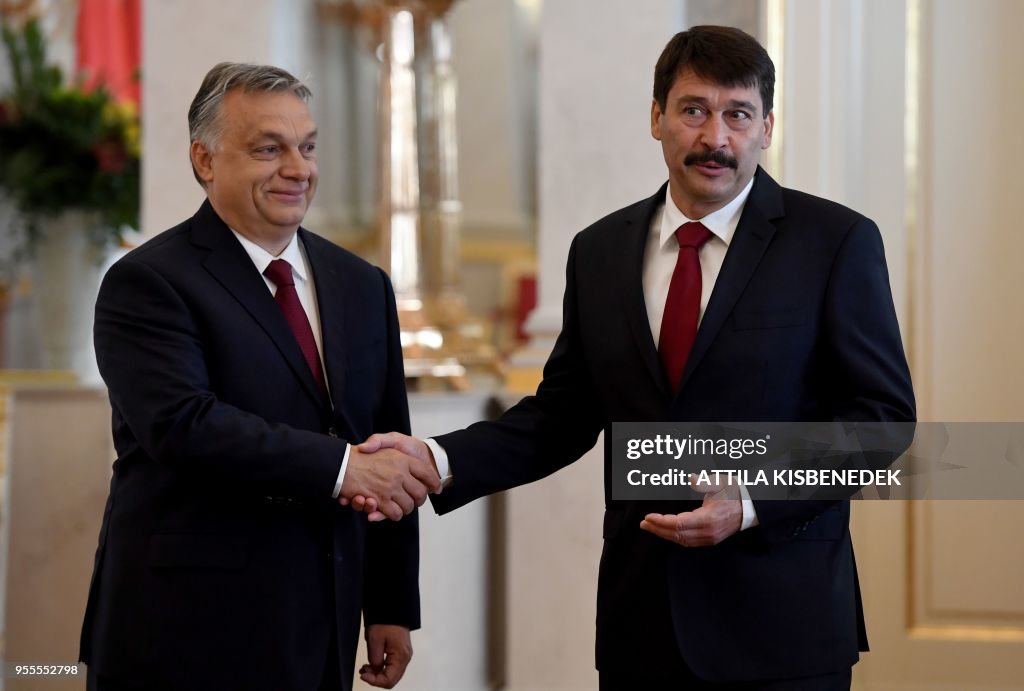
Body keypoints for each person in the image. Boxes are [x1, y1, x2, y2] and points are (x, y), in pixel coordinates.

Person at [355, 25, 915, 690]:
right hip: (641, 626)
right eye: (693, 110)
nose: (716, 138)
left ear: (767, 125)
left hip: (782, 628)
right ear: (657, 117)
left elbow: (881, 421)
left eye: (738, 114)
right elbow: (560, 416)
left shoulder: (835, 242)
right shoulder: (600, 251)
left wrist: (750, 499)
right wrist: (437, 459)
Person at [79, 62, 440, 691]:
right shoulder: (148, 282)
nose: (298, 169)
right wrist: (343, 468)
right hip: (185, 628)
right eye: (268, 149)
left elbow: (388, 441)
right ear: (205, 159)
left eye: (307, 147)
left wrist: (389, 606)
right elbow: (183, 426)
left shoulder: (362, 285)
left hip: (321, 622)